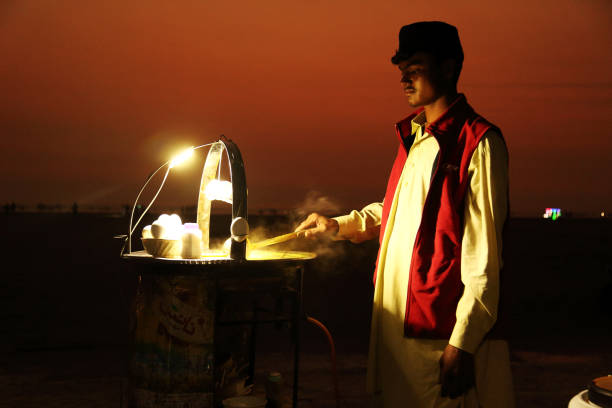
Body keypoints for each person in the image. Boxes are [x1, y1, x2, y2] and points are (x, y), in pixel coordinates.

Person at [295, 21, 514, 407]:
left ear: (448, 67)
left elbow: (483, 258)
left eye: (415, 67)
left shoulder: (478, 143)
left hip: (437, 335)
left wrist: (461, 344)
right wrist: (339, 225)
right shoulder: (415, 137)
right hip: (396, 328)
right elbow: (399, 211)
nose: (404, 79)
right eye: (401, 71)